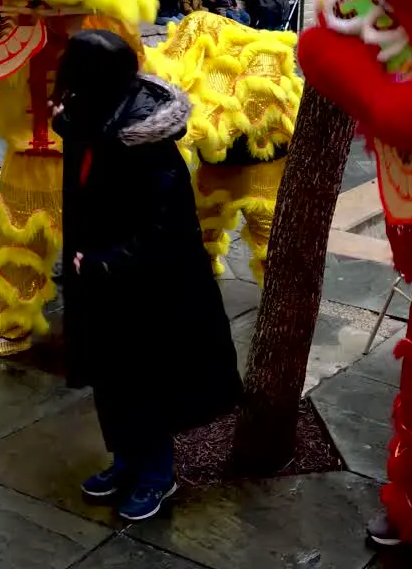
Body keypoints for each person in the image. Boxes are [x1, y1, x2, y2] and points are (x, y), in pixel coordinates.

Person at [51, 30, 242, 522]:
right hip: (98, 280)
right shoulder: (88, 117)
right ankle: (125, 460)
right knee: (108, 376)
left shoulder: (147, 145)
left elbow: (164, 227)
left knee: (144, 379)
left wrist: (103, 260)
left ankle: (157, 473)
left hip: (147, 288)